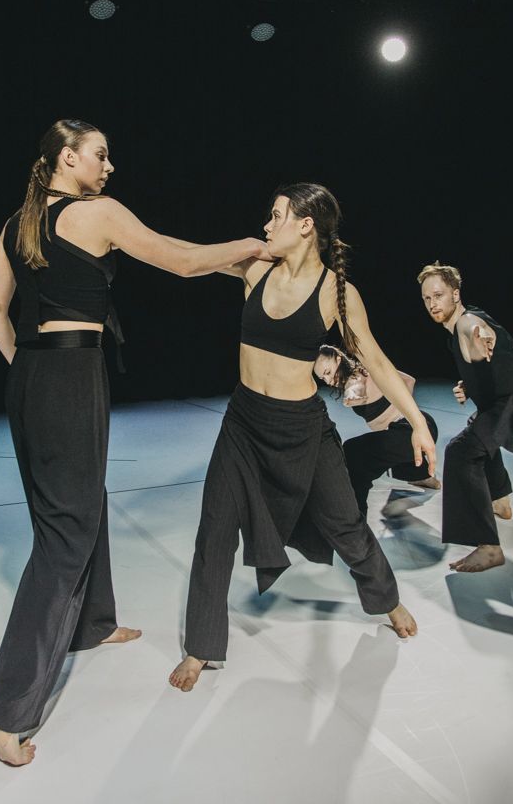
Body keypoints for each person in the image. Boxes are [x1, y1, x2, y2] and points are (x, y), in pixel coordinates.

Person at [0, 119, 267, 764]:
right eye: (100, 155)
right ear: (67, 157)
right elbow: (180, 260)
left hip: (30, 376)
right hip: (71, 374)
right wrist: (252, 246)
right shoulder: (97, 212)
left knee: (77, 504)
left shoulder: (16, 222)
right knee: (64, 534)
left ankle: (93, 622)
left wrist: (28, 372)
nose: (109, 166)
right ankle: (6, 713)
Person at [168, 183, 431, 692]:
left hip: (302, 429)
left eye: (276, 216)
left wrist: (417, 422)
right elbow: (188, 260)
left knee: (346, 526)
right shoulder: (255, 269)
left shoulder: (336, 293)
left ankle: (387, 599)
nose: (267, 225)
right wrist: (242, 245)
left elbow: (377, 361)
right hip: (244, 424)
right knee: (215, 532)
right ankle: (201, 646)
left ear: (306, 225)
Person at [416, 263, 513, 572]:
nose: (432, 303)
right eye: (427, 298)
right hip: (506, 400)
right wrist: (470, 384)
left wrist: (480, 339)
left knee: (460, 451)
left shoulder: (466, 321)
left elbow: (475, 331)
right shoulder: (454, 333)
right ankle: (501, 502)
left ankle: (488, 547)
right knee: (477, 432)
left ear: (455, 294)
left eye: (438, 295)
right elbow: (488, 363)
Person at [312, 344, 440, 517]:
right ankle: (423, 476)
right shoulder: (366, 372)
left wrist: (354, 394)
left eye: (328, 372)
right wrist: (399, 407)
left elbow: (354, 391)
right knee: (386, 444)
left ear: (338, 359)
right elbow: (409, 380)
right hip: (420, 425)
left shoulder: (355, 379)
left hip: (414, 431)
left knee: (353, 451)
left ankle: (357, 516)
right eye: (323, 378)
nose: (328, 381)